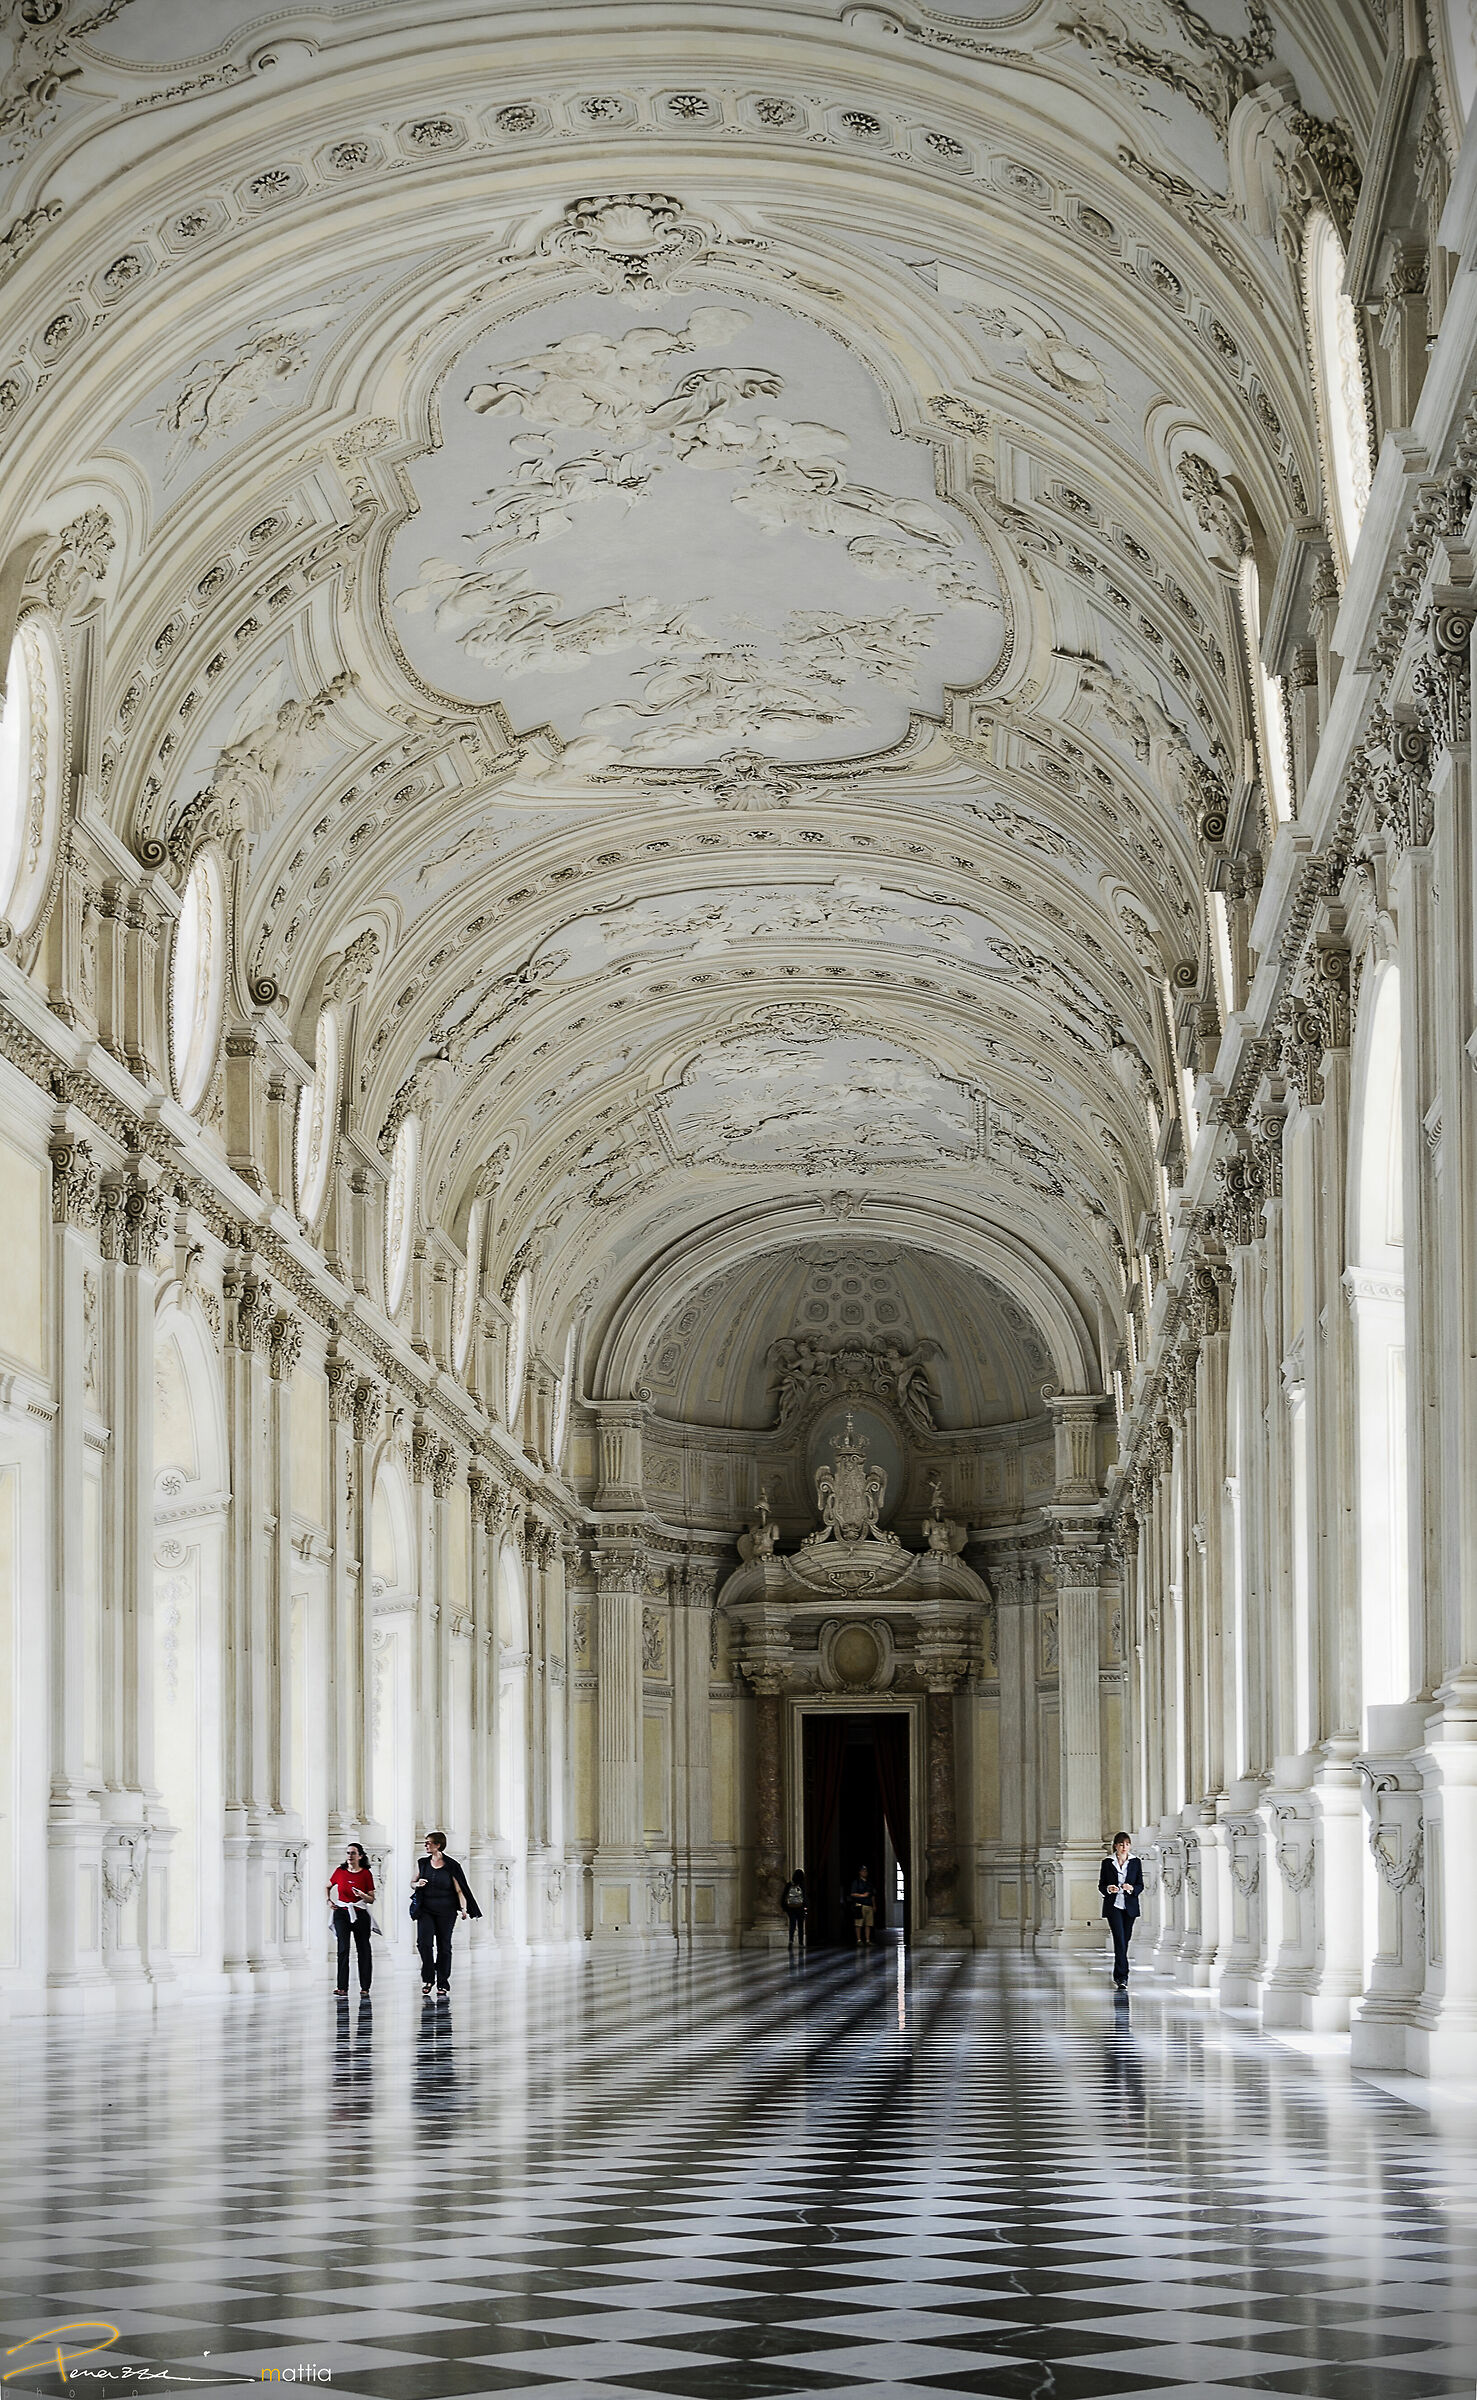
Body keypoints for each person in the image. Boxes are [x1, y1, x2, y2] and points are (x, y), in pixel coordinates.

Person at [411, 1832, 480, 1997]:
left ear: (438, 1845)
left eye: (428, 1843)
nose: (426, 1845)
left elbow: (459, 1889)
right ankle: (428, 1977)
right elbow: (412, 1883)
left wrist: (463, 1908)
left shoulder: (451, 1865)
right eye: (425, 1842)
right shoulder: (422, 1863)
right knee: (423, 1943)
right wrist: (417, 1884)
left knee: (444, 1947)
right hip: (426, 1909)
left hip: (446, 1911)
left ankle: (442, 1982)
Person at [326, 1842, 376, 1997]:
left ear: (360, 1856)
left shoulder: (366, 1874)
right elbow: (328, 1886)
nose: (349, 1856)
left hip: (359, 1912)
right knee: (343, 1948)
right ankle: (342, 1987)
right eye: (348, 1853)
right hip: (342, 1912)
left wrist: (361, 1894)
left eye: (353, 1853)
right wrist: (329, 1900)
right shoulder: (339, 1872)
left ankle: (365, 1986)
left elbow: (371, 1899)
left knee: (363, 1949)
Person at [1099, 1831, 1143, 1987]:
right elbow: (1101, 1885)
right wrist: (1109, 1889)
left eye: (1127, 1844)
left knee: (1125, 1940)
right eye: (1121, 1844)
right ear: (1115, 1846)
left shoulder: (1136, 1862)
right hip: (1114, 1906)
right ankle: (1122, 1977)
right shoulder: (1107, 1862)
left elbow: (1140, 1885)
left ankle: (1120, 1974)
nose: (1124, 1847)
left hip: (1129, 1906)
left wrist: (1131, 1888)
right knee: (1119, 1940)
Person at [849, 1862, 875, 1947]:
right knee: (859, 1924)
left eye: (865, 1871)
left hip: (869, 1905)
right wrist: (862, 1895)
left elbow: (872, 1894)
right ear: (860, 1872)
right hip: (860, 1905)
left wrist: (874, 1905)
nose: (864, 1872)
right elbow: (852, 1893)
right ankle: (859, 1939)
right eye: (863, 1871)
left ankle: (867, 1940)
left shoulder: (869, 1883)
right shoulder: (856, 1882)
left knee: (868, 1924)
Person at [781, 1868, 807, 1949]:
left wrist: (784, 1907)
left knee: (792, 1925)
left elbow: (784, 1896)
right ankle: (801, 1943)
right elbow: (805, 1897)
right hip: (800, 1907)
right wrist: (806, 1906)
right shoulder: (802, 1885)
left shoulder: (789, 1884)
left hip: (790, 1908)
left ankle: (791, 1941)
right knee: (800, 1926)